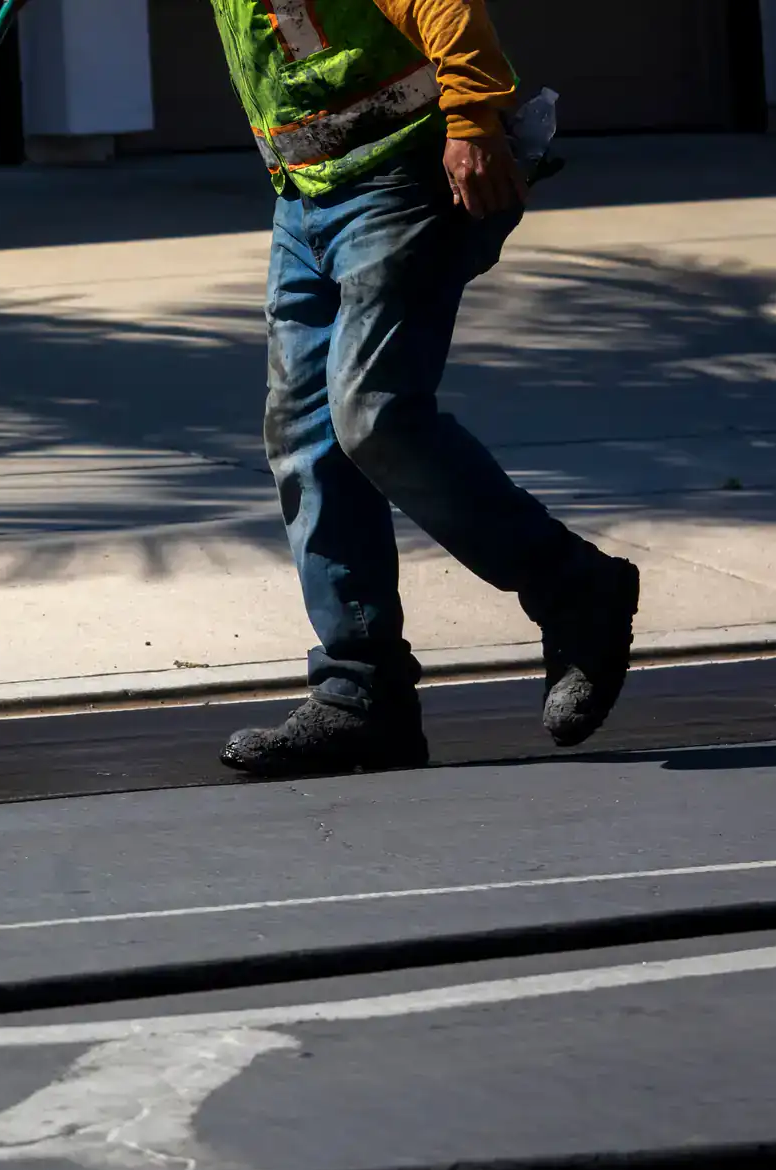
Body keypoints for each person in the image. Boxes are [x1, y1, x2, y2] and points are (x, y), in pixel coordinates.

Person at [206, 0, 642, 777]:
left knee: (374, 414)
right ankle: (359, 696)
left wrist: (474, 118)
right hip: (306, 196)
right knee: (304, 435)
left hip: (404, 171)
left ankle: (577, 591)